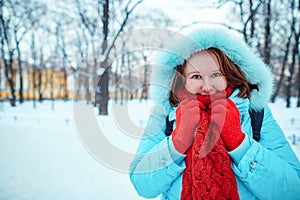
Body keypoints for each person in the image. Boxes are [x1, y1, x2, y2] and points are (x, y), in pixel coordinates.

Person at [129, 28, 300, 200]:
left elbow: (293, 191)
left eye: (216, 74)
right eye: (196, 76)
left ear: (229, 75)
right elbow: (142, 185)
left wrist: (240, 144)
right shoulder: (165, 115)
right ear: (181, 79)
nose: (207, 86)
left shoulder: (255, 114)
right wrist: (177, 142)